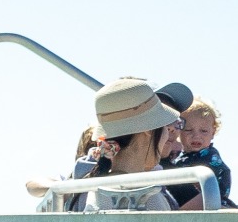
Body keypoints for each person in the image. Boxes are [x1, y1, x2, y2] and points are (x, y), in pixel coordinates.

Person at [41, 78, 190, 212]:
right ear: (148, 131)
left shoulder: (92, 187)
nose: (168, 133)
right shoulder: (146, 196)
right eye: (164, 125)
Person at [156, 89, 233, 209]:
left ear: (213, 133)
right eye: (188, 130)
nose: (196, 136)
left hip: (214, 202)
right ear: (180, 131)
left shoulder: (210, 157)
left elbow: (221, 184)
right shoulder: (177, 159)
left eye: (203, 131)